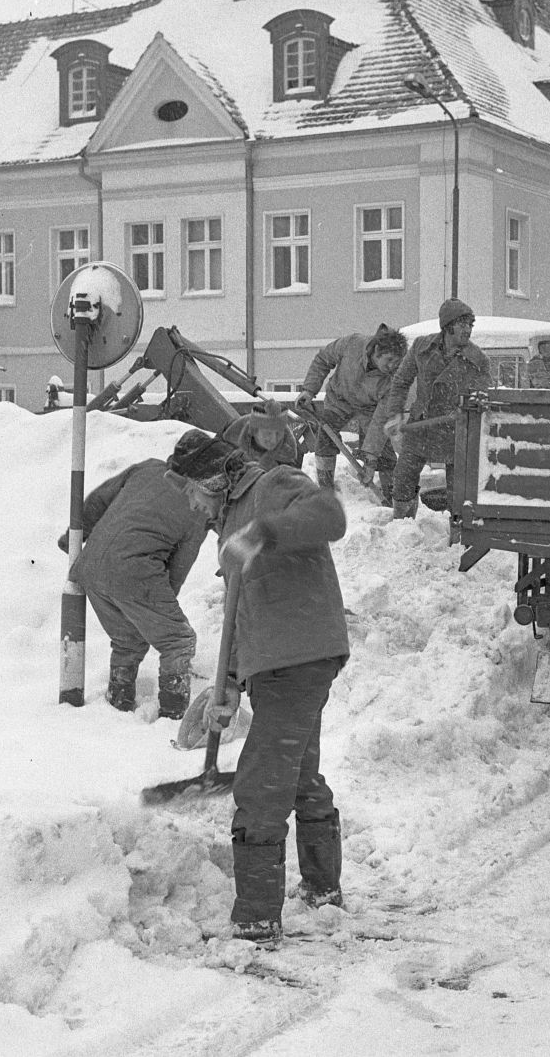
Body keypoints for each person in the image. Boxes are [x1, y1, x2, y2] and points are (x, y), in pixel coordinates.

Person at [166, 401, 349, 949]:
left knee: (262, 783)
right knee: (297, 772)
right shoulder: (229, 520)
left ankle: (255, 920)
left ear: (212, 479)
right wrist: (228, 679)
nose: (191, 506)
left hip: (300, 656)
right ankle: (322, 888)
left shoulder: (272, 486)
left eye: (190, 492)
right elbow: (241, 609)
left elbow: (330, 516)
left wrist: (265, 532)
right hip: (277, 661)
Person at [59, 434, 212, 719]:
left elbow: (99, 499)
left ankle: (118, 705)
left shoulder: (147, 468)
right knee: (178, 640)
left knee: (128, 639)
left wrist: (74, 535)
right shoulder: (198, 504)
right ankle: (173, 715)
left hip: (89, 566)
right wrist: (161, 606)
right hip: (134, 572)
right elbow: (180, 565)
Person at [381, 297, 490, 519]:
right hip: (422, 427)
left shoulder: (478, 360)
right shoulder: (421, 348)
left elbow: (485, 398)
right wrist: (394, 414)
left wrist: (468, 408)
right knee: (402, 480)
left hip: (457, 433)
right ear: (448, 327)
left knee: (459, 493)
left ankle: (458, 532)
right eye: (462, 324)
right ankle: (402, 524)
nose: (468, 330)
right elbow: (401, 381)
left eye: (470, 324)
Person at [294, 324, 408, 501]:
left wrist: (370, 460)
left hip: (369, 410)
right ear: (377, 350)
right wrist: (309, 390)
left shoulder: (392, 380)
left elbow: (379, 422)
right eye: (390, 359)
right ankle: (325, 491)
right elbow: (323, 359)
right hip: (339, 400)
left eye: (397, 362)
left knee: (383, 452)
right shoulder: (352, 344)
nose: (393, 366)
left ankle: (392, 497)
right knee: (326, 436)